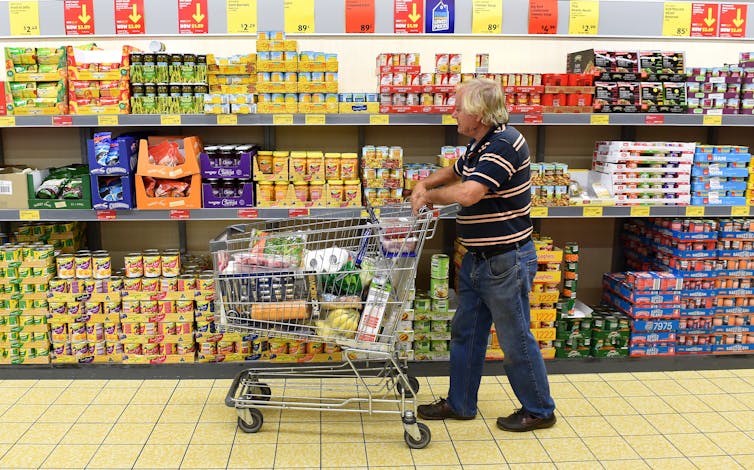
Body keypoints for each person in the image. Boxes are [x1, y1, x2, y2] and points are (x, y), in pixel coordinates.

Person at [410, 77, 556, 432]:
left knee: (515, 336)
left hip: (505, 260)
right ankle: (460, 403)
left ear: (478, 113)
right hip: (478, 259)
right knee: (467, 333)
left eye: (459, 107)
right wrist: (426, 182)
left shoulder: (504, 143)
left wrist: (429, 197)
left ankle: (539, 409)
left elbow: (469, 193)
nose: (453, 113)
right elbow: (457, 171)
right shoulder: (482, 142)